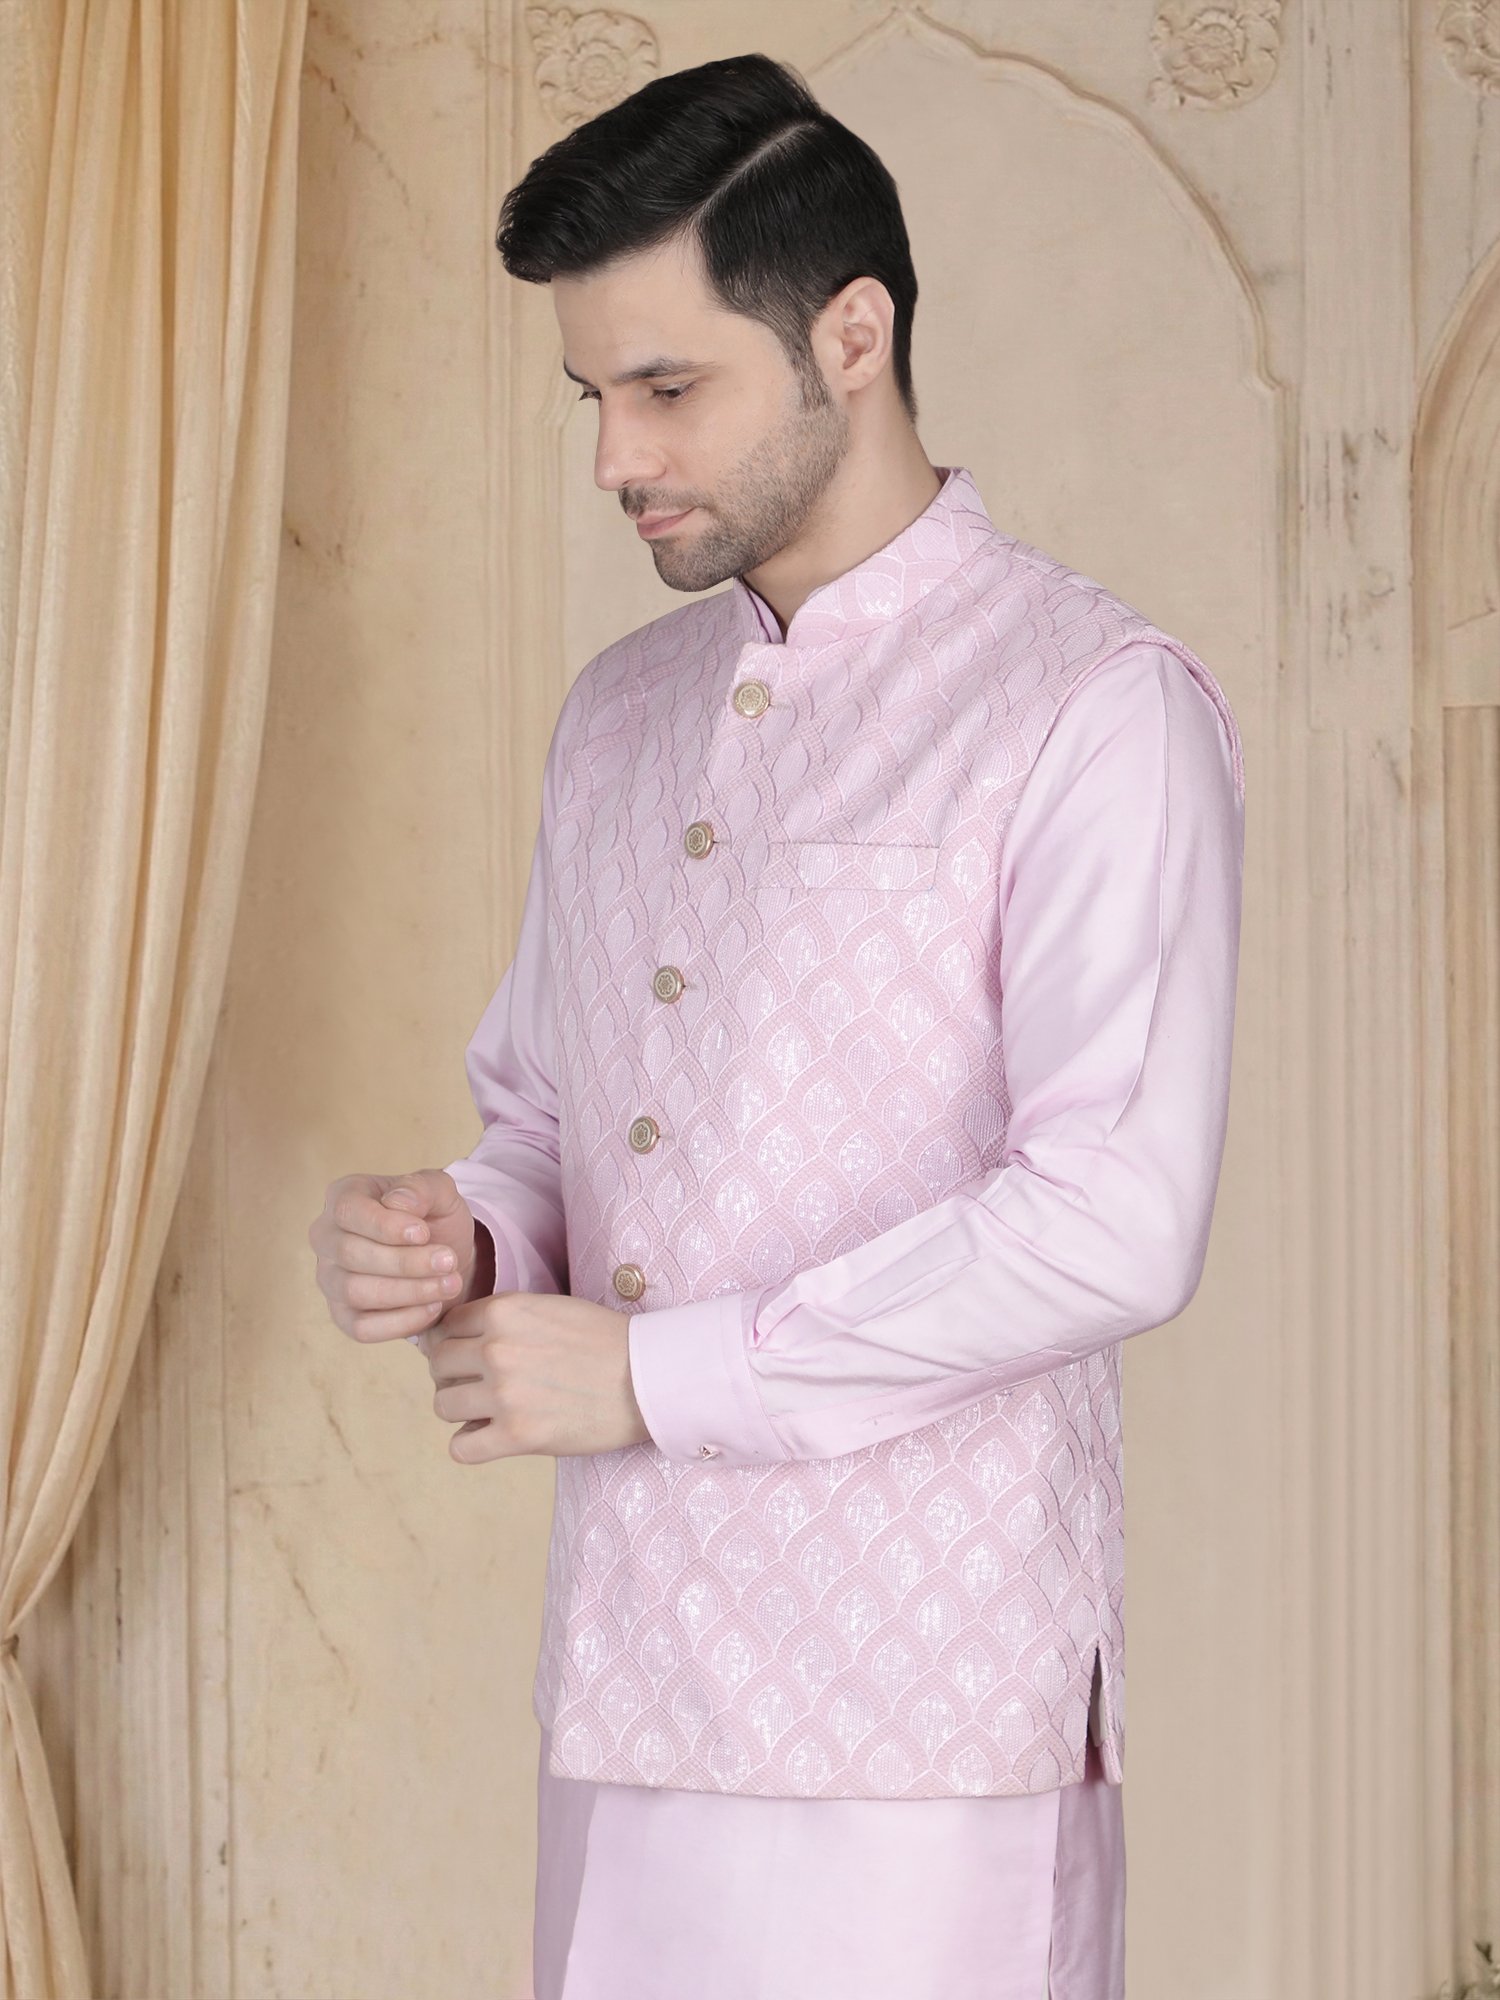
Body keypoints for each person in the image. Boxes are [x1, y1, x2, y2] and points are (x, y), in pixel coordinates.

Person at [310, 50, 1245, 2000]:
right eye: (593, 395)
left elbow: (1110, 1219)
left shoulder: (1090, 704)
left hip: (933, 1717)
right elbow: (548, 1121)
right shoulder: (620, 712)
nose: (616, 457)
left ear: (852, 336)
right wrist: (468, 1237)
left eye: (668, 389)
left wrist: (656, 1379)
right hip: (632, 1674)